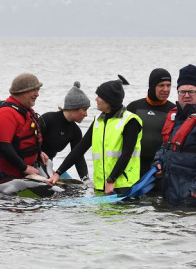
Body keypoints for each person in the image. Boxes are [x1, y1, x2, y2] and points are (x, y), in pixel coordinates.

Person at [48, 78, 143, 195]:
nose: (96, 99)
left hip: (123, 186)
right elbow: (80, 148)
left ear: (110, 100)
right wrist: (58, 172)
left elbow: (126, 154)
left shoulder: (130, 121)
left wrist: (111, 180)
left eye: (99, 96)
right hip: (101, 186)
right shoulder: (98, 120)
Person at [0, 73, 48, 181]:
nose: (37, 94)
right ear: (21, 91)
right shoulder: (6, 113)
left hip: (23, 175)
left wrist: (38, 153)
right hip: (6, 176)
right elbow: (3, 145)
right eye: (34, 90)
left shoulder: (25, 110)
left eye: (38, 90)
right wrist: (24, 167)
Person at [152, 64, 196, 205]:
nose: (186, 96)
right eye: (182, 92)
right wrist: (158, 162)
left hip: (191, 194)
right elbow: (166, 146)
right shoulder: (174, 117)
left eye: (191, 92)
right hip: (170, 192)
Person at [127, 68, 175, 192]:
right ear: (152, 86)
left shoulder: (174, 111)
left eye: (169, 85)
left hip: (159, 170)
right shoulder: (134, 107)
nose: (166, 89)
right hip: (134, 169)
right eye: (161, 85)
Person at [38, 81, 90, 181]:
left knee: (75, 185)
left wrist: (85, 179)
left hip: (47, 166)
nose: (86, 114)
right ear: (74, 108)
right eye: (84, 110)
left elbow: (78, 156)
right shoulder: (48, 119)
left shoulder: (76, 131)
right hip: (31, 164)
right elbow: (29, 142)